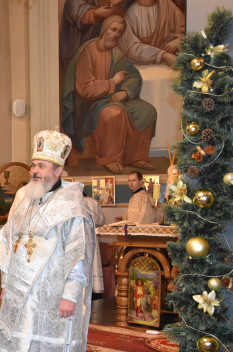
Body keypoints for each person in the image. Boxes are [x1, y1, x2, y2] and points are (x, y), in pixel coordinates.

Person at [0, 130, 96, 352]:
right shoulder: (25, 199)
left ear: (58, 170)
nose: (34, 170)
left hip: (52, 294)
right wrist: (6, 282)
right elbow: (10, 242)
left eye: (41, 166)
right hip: (21, 292)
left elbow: (78, 254)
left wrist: (70, 296)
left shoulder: (73, 206)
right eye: (34, 164)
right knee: (22, 350)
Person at [62, 15, 157, 174]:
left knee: (147, 110)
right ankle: (110, 159)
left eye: (119, 32)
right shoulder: (89, 51)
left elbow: (133, 76)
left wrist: (125, 93)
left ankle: (136, 156)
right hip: (90, 105)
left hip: (116, 99)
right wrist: (112, 83)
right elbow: (85, 89)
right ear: (104, 29)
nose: (115, 35)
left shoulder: (116, 53)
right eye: (113, 30)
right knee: (114, 114)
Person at [117, 0, 185, 67]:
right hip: (144, 64)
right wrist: (163, 55)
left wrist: (179, 39)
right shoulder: (131, 13)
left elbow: (184, 28)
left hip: (172, 61)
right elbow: (131, 47)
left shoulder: (167, 4)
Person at [83, 192, 105, 296]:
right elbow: (101, 220)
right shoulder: (93, 201)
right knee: (94, 265)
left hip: (83, 238)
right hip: (92, 236)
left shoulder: (78, 202)